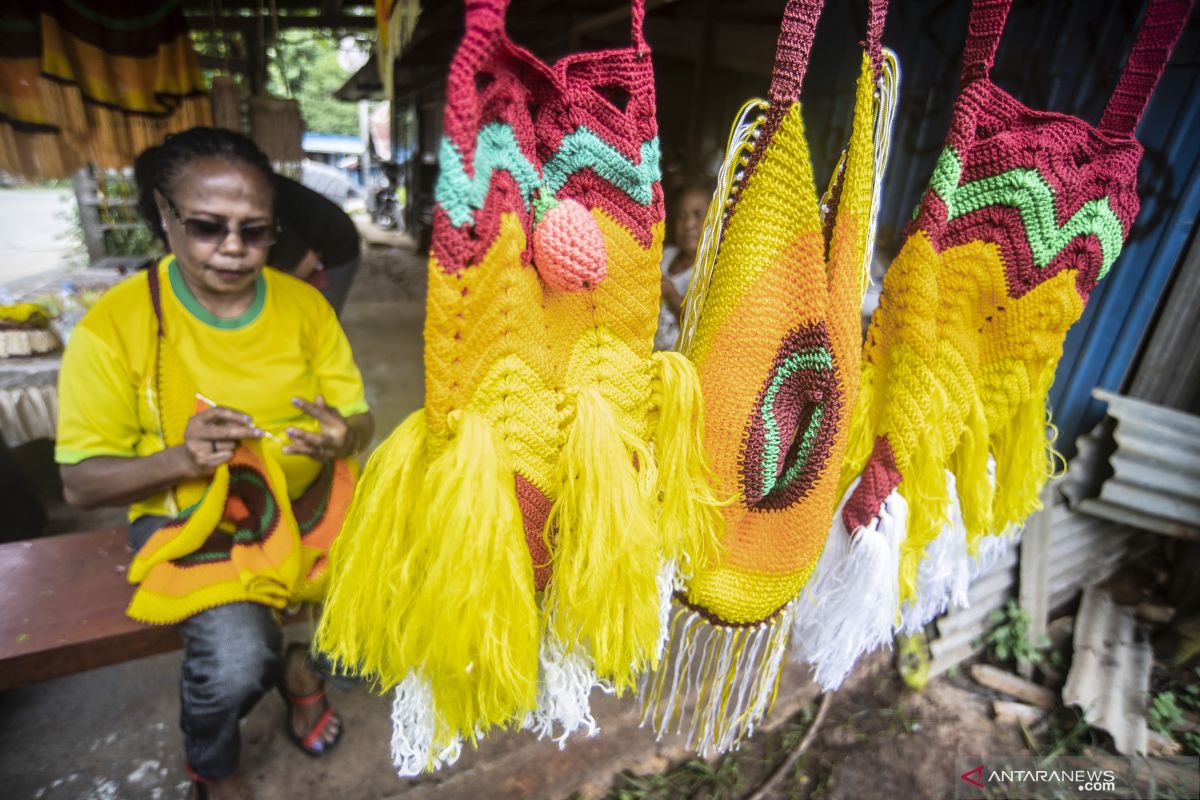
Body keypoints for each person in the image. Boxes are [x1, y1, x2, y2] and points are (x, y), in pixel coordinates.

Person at [56, 127, 374, 800]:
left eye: (254, 232)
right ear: (163, 216)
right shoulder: (114, 328)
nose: (233, 248)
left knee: (400, 582)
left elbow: (359, 419)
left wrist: (341, 438)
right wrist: (180, 458)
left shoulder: (305, 306)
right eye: (206, 227)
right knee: (234, 661)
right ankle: (215, 766)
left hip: (306, 503)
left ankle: (300, 671)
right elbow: (81, 483)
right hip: (193, 519)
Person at [269, 173, 361, 317]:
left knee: (319, 317)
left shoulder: (266, 207)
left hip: (337, 248)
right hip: (314, 247)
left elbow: (306, 263)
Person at [654, 180, 712, 351]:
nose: (688, 224)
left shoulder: (710, 270)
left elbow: (701, 327)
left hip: (680, 367)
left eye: (698, 214)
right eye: (681, 216)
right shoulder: (664, 255)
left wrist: (671, 296)